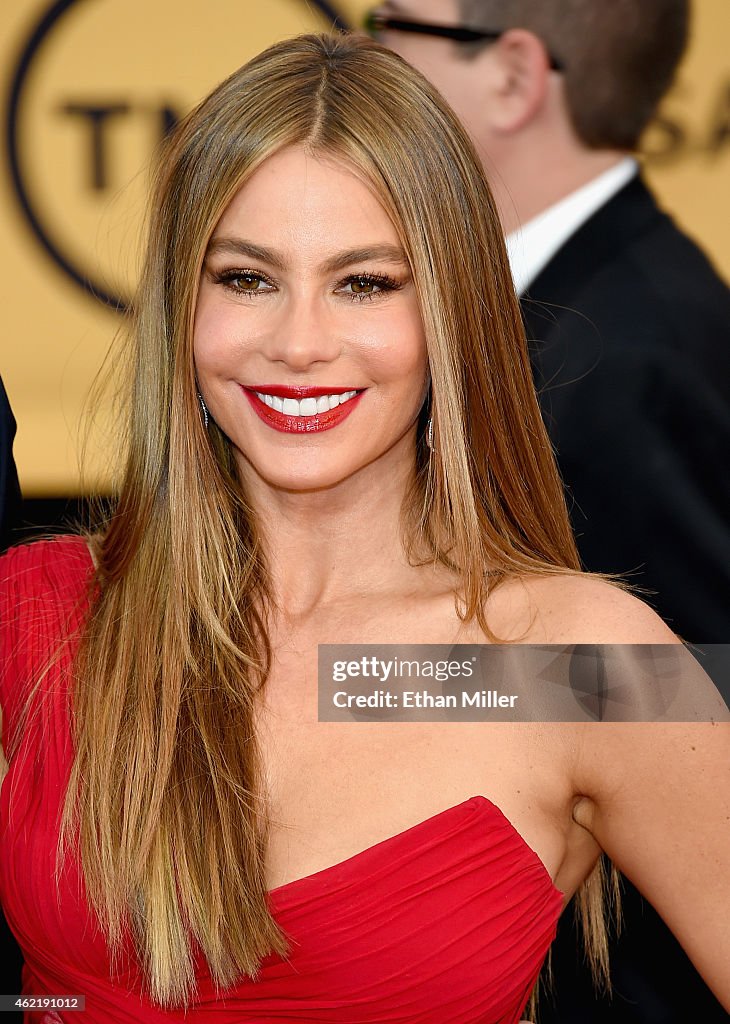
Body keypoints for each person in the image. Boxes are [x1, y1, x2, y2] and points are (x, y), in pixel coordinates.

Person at [0, 33, 727, 1024]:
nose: (299, 343)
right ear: (182, 305)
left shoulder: (577, 663)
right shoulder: (38, 617)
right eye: (245, 278)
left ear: (453, 311)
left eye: (366, 283)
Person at [368, 2, 730, 1018]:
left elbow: (686, 692)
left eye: (389, 23)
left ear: (517, 78)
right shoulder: (585, 318)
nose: (362, 54)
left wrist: (340, 674)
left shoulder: (628, 355)